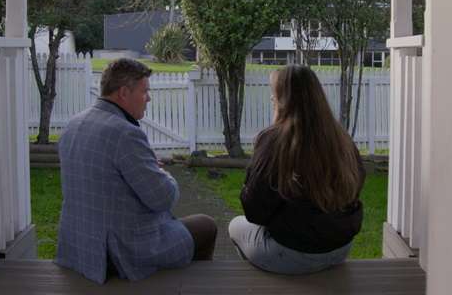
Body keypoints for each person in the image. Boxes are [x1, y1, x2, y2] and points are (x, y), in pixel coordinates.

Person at [56, 58, 217, 283]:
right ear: (123, 93)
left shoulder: (74, 124)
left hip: (80, 248)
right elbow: (163, 199)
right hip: (119, 253)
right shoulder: (125, 133)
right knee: (206, 226)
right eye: (144, 91)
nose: (148, 98)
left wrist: (148, 168)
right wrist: (165, 174)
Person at [228, 65, 366, 274]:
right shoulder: (341, 138)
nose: (272, 100)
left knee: (235, 225)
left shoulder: (273, 140)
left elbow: (254, 212)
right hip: (340, 248)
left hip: (292, 254)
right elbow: (357, 185)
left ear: (283, 100)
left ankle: (267, 283)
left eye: (274, 95)